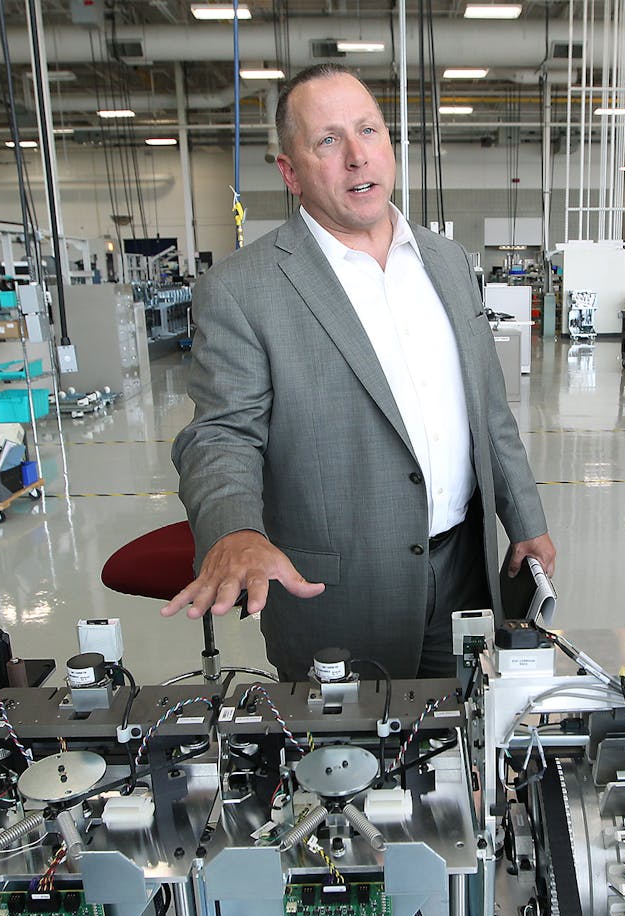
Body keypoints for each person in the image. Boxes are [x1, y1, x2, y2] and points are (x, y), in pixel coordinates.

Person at [162, 63, 555, 680]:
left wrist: (524, 520)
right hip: (340, 595)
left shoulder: (448, 262)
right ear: (290, 172)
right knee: (348, 764)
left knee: (457, 750)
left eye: (368, 131)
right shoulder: (242, 289)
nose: (355, 157)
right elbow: (220, 435)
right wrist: (234, 529)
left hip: (464, 568)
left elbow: (488, 408)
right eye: (327, 140)